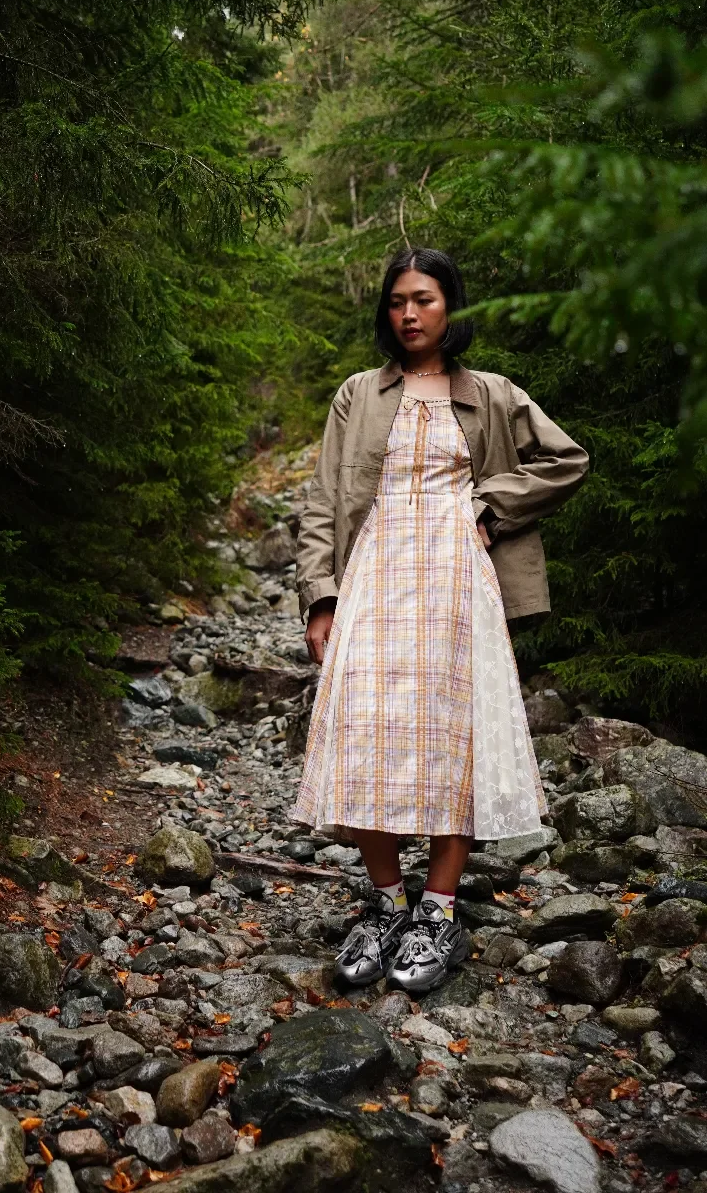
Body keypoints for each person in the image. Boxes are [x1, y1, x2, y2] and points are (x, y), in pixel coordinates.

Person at [291, 247, 589, 994]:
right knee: (365, 729)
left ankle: (437, 910)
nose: (408, 313)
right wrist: (320, 596)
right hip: (374, 574)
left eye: (422, 299)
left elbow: (564, 459)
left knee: (450, 737)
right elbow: (323, 501)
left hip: (458, 581)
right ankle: (385, 902)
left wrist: (489, 507)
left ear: (449, 307)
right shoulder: (358, 393)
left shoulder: (488, 392)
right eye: (396, 301)